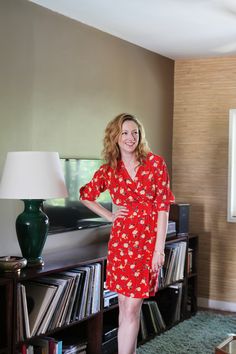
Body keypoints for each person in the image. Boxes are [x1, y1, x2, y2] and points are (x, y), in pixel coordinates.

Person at [80, 113, 175, 354]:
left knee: (132, 309)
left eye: (135, 133)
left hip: (146, 243)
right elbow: (86, 195)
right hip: (121, 244)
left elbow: (163, 208)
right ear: (115, 137)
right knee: (124, 307)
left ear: (140, 136)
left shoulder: (155, 163)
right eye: (124, 133)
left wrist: (158, 250)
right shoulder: (109, 170)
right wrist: (110, 216)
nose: (130, 138)